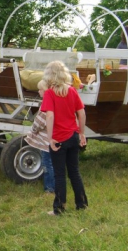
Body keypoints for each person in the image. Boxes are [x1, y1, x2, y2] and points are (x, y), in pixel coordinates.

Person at [41, 60, 87, 215]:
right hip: (73, 136)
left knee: (60, 174)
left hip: (59, 139)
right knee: (74, 172)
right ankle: (82, 204)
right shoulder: (72, 91)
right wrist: (81, 133)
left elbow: (50, 116)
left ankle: (59, 208)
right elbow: (81, 113)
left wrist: (50, 138)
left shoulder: (49, 93)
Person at [26, 80, 55, 194]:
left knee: (47, 165)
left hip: (46, 141)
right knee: (54, 163)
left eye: (41, 89)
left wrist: (33, 129)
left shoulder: (46, 104)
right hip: (55, 138)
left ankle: (50, 188)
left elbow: (40, 121)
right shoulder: (55, 101)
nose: (39, 91)